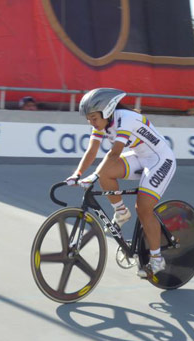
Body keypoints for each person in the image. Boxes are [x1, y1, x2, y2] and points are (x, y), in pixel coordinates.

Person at [66, 88, 176, 277]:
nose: (91, 123)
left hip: (160, 159)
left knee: (143, 208)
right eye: (88, 119)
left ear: (106, 111)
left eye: (93, 118)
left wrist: (93, 176)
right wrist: (77, 173)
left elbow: (115, 153)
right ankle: (121, 212)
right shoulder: (102, 123)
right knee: (106, 173)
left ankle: (157, 259)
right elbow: (92, 151)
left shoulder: (125, 118)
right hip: (140, 156)